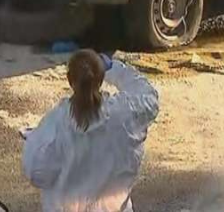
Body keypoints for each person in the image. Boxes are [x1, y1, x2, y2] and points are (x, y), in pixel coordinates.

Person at [22, 49, 161, 212]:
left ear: (69, 80)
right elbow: (149, 97)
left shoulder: (56, 122)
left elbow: (37, 173)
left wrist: (35, 141)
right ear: (101, 78)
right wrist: (114, 68)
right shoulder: (125, 113)